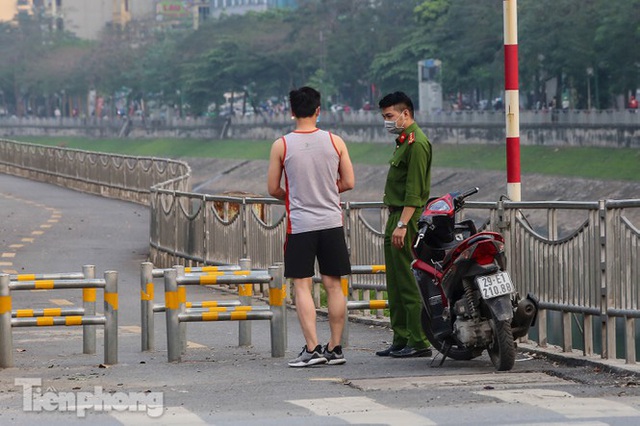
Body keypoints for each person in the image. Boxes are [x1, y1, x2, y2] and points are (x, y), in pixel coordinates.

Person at [267, 86, 355, 368]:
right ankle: (335, 347)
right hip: (331, 222)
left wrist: (294, 196)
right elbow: (349, 182)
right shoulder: (335, 141)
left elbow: (272, 188)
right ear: (319, 110)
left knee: (302, 286)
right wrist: (326, 192)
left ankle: (312, 348)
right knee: (334, 285)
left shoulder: (281, 145)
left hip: (301, 225)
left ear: (291, 111)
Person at [375, 91, 433, 358]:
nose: (387, 121)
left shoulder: (417, 143)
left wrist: (402, 224)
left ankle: (418, 340)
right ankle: (400, 337)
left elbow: (415, 190)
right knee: (395, 282)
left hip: (406, 219)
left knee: (409, 281)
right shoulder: (402, 142)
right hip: (396, 217)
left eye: (390, 116)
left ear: (405, 114)